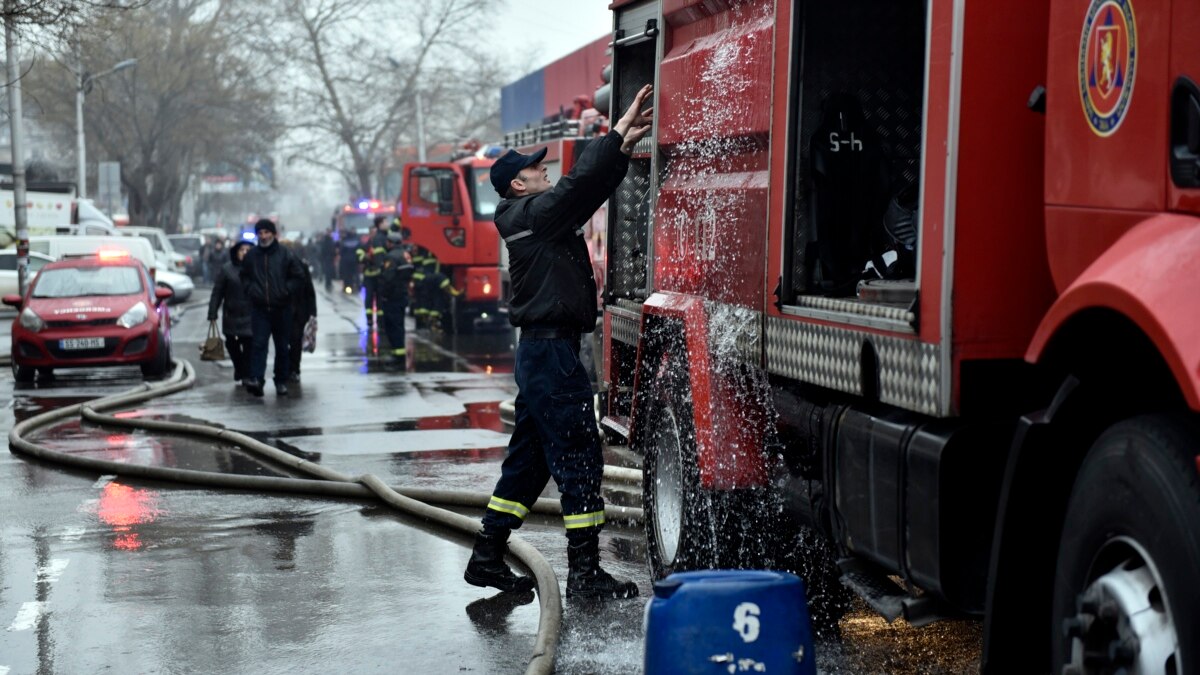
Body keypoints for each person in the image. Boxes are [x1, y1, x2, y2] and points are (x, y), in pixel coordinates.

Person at [463, 84, 654, 599]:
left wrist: (622, 150)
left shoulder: (531, 218)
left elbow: (584, 193)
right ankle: (585, 574)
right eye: (535, 169)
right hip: (551, 354)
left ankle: (486, 556)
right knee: (579, 456)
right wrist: (612, 136)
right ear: (518, 187)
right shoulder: (530, 216)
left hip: (545, 353)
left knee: (529, 461)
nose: (544, 169)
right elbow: (574, 189)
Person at [239, 218, 306, 397]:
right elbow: (243, 276)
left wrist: (285, 291)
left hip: (282, 308)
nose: (263, 236)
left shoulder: (285, 254)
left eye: (266, 232)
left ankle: (281, 380)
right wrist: (251, 291)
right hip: (260, 308)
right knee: (259, 344)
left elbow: (299, 276)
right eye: (260, 233)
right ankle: (257, 380)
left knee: (282, 346)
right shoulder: (252, 255)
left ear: (273, 234)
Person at [206, 240, 253, 383]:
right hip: (231, 314)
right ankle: (239, 368)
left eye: (248, 250)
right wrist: (212, 312)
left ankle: (245, 374)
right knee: (231, 345)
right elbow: (218, 292)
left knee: (249, 345)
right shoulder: (227, 269)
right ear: (236, 252)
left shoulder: (256, 268)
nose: (245, 252)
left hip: (250, 315)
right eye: (242, 250)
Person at [378, 230, 414, 362]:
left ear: (391, 243)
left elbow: (388, 278)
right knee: (399, 324)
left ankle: (398, 354)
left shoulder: (391, 257)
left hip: (392, 296)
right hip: (403, 294)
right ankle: (399, 353)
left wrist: (384, 294)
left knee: (392, 326)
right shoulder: (406, 254)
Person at [288, 247, 318, 381]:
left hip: (298, 311)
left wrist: (312, 313)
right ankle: (292, 369)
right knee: (290, 342)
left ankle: (294, 369)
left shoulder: (301, 267)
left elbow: (309, 291)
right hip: (290, 310)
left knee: (294, 341)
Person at [357, 215, 390, 327]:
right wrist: (366, 257)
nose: (374, 234)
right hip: (369, 276)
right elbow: (359, 256)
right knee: (369, 298)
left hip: (379, 276)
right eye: (373, 232)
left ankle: (380, 321)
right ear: (370, 233)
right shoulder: (365, 245)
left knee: (380, 298)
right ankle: (369, 320)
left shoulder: (380, 242)